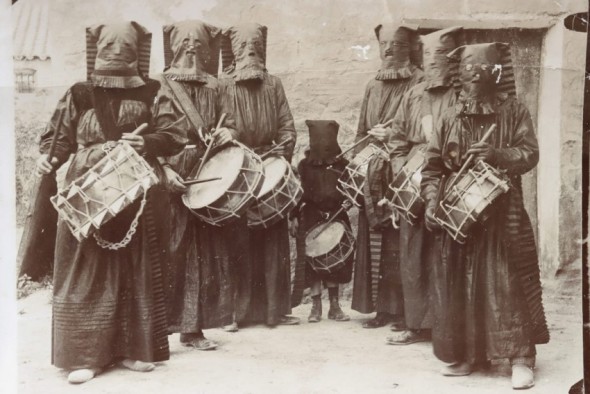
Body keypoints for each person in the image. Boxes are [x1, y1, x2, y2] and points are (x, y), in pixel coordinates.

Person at [36, 22, 184, 384]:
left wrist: (146, 143)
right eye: (110, 46)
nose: (118, 52)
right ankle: (85, 356)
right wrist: (49, 157)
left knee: (135, 267)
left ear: (137, 50)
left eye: (125, 46)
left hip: (137, 191)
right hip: (87, 190)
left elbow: (175, 133)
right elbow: (59, 135)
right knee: (87, 271)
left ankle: (134, 350)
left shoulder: (153, 90)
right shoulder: (80, 92)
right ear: (97, 48)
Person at [420, 42, 549, 390]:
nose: (471, 82)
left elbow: (529, 154)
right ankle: (468, 355)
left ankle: (521, 359)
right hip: (458, 215)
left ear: (494, 76)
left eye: (479, 75)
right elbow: (432, 167)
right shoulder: (449, 115)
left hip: (501, 212)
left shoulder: (515, 110)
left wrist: (496, 154)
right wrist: (432, 201)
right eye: (465, 75)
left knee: (506, 283)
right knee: (460, 283)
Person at [153, 20, 237, 350]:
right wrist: (163, 170)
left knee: (203, 253)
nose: (191, 48)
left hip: (206, 173)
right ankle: (158, 327)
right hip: (169, 174)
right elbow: (149, 138)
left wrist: (228, 133)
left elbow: (231, 124)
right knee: (167, 249)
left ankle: (193, 328)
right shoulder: (157, 85)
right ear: (173, 46)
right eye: (185, 42)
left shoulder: (216, 86)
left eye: (198, 43)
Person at [218, 23, 299, 328]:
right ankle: (235, 314)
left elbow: (287, 125)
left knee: (272, 243)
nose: (250, 52)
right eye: (243, 47)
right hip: (237, 169)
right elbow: (220, 127)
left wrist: (282, 149)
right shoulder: (222, 84)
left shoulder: (274, 84)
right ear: (234, 51)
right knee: (237, 242)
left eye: (255, 46)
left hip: (269, 167)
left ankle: (274, 312)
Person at [386, 26, 463, 345]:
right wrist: (403, 172)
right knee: (413, 255)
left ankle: (448, 325)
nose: (433, 62)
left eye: (440, 55)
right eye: (428, 55)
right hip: (414, 181)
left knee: (447, 255)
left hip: (450, 179)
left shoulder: (462, 95)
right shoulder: (413, 94)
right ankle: (415, 324)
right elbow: (396, 140)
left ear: (452, 60)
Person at [351, 23, 423, 330]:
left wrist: (392, 133)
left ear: (409, 47)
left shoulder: (420, 81)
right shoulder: (372, 85)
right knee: (375, 240)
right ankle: (381, 309)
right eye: (384, 44)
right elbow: (361, 129)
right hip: (374, 172)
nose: (389, 50)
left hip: (404, 168)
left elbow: (420, 126)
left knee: (401, 242)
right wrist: (357, 160)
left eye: (396, 44)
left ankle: (404, 313)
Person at [290, 120, 353, 322]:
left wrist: (349, 201)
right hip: (312, 216)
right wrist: (293, 217)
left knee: (334, 260)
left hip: (337, 215)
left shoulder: (343, 166)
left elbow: (351, 191)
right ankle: (316, 306)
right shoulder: (305, 166)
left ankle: (334, 305)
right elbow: (297, 194)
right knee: (313, 261)